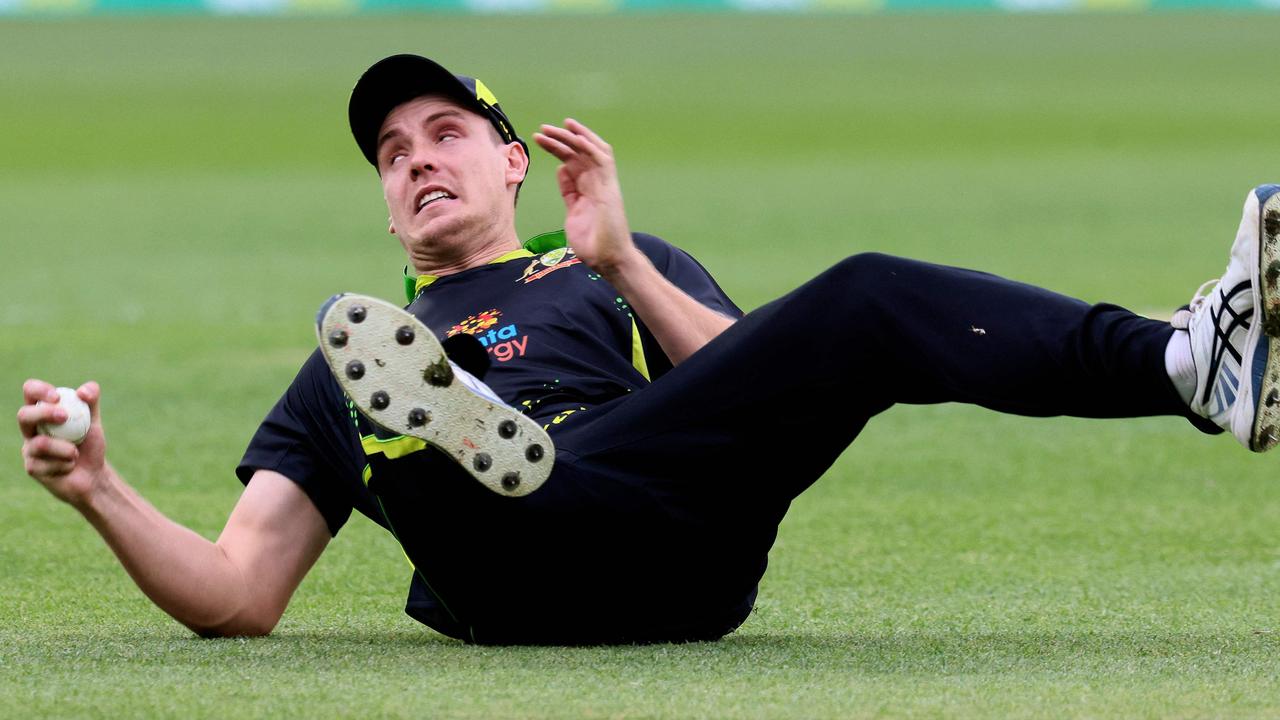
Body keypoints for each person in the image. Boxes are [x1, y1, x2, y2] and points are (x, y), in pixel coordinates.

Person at [17, 54, 1280, 645]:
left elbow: (756, 378)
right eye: (392, 156)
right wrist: (101, 492)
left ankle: (1187, 364)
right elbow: (241, 596)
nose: (415, 161)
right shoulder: (357, 354)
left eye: (444, 132)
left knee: (863, 298)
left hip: (673, 537)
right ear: (387, 199)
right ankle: (455, 444)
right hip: (510, 580)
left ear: (511, 158)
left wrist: (620, 256)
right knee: (407, 423)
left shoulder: (608, 267)